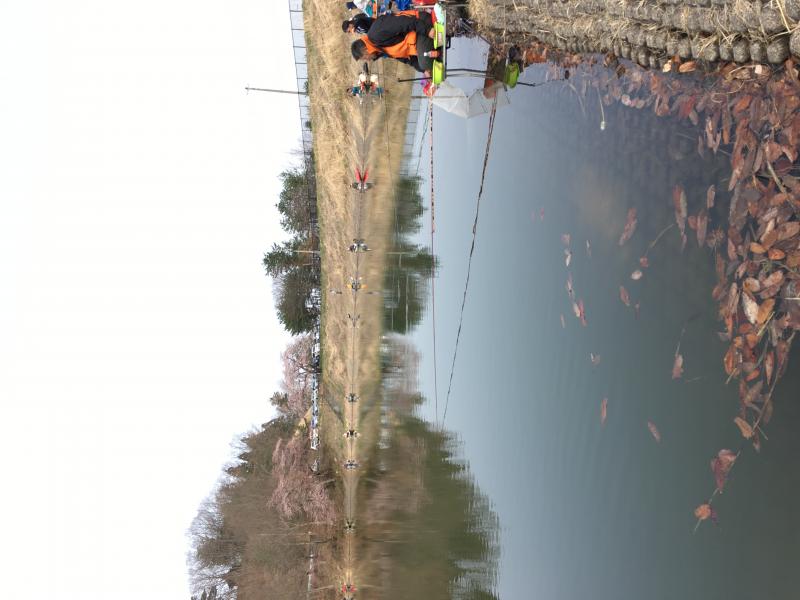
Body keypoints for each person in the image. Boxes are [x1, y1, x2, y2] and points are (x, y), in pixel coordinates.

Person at [351, 10, 439, 75]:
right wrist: (423, 71)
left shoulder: (376, 33)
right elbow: (406, 59)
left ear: (365, 50)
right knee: (425, 67)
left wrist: (427, 30)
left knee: (425, 63)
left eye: (365, 58)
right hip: (417, 40)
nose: (368, 60)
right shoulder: (379, 50)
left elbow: (404, 22)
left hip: (420, 23)